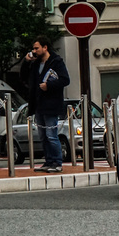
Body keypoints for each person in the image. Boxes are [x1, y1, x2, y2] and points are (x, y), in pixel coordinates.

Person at [20, 36, 70, 173]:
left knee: (51, 134)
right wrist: (26, 61)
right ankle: (48, 161)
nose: (34, 51)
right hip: (39, 104)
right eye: (33, 48)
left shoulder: (56, 62)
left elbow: (65, 80)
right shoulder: (36, 63)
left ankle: (57, 162)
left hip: (51, 104)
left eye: (36, 48)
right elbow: (23, 77)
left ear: (45, 47)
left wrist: (49, 85)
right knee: (42, 135)